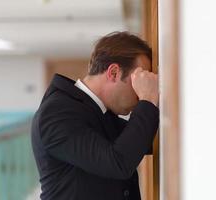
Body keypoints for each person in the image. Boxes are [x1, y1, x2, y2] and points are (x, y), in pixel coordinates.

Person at [31, 31, 159, 200]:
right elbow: (118, 163)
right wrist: (148, 99)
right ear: (113, 72)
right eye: (137, 82)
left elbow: (140, 142)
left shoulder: (96, 111)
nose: (140, 91)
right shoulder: (56, 114)